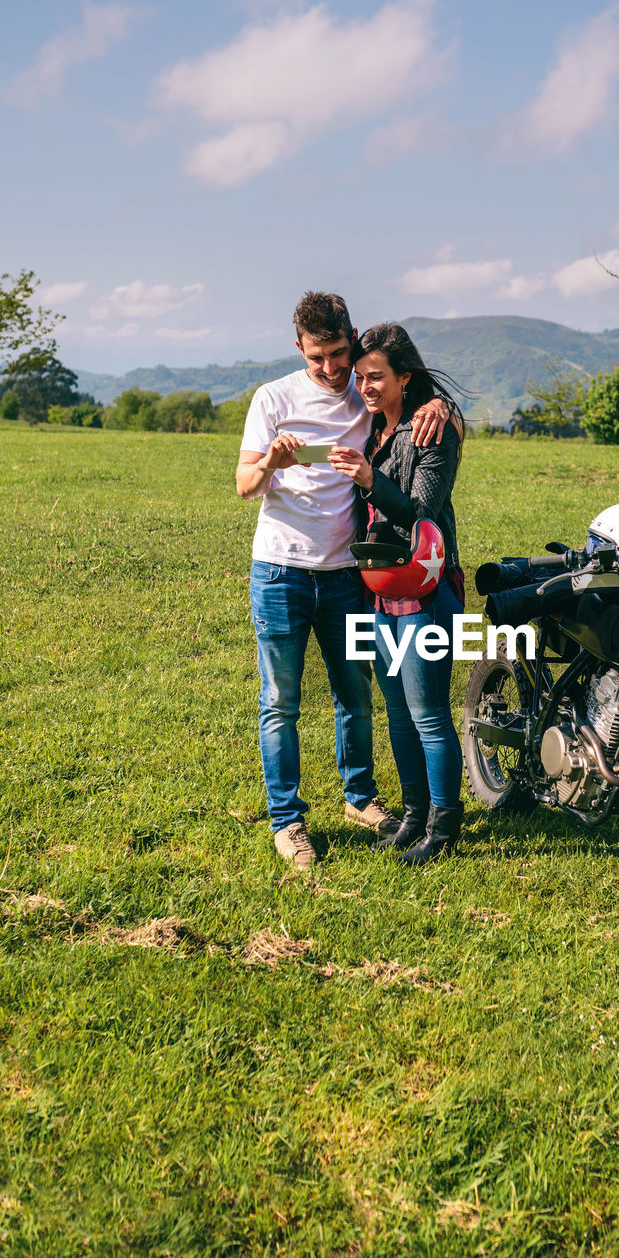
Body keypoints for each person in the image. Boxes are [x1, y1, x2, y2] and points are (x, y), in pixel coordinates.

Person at [236, 293, 449, 870]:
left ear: (351, 339)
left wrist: (442, 408)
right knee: (280, 700)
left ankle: (360, 799)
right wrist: (270, 466)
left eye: (338, 353)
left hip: (347, 576)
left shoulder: (363, 387)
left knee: (354, 697)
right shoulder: (273, 397)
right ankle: (288, 822)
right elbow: (243, 485)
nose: (331, 369)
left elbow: (409, 398)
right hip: (279, 570)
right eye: (317, 358)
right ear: (297, 347)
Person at [328, 323, 465, 867]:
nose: (364, 386)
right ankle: (413, 814)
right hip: (377, 593)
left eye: (376, 377)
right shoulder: (373, 431)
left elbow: (422, 514)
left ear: (405, 377)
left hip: (425, 591)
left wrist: (368, 479)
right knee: (397, 713)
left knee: (429, 714)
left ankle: (444, 825)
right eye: (360, 377)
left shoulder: (431, 431)